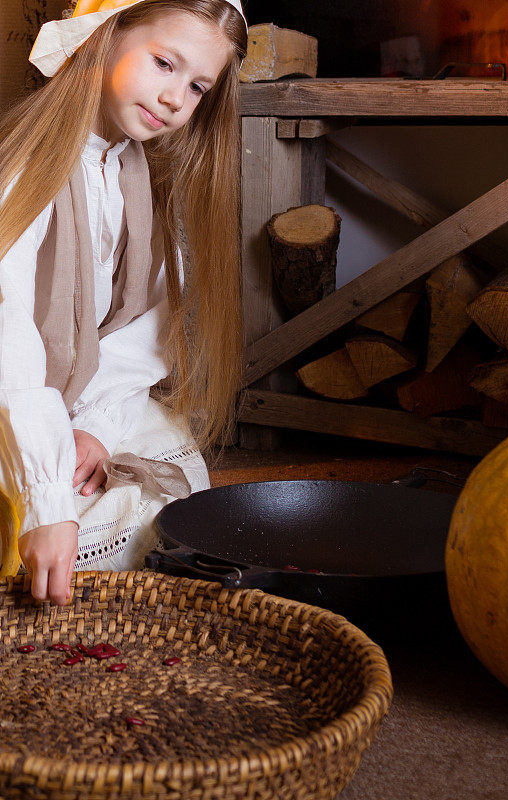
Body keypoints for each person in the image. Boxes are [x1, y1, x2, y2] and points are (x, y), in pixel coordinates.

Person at [0, 0, 248, 606]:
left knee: (174, 478)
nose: (175, 98)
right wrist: (45, 493)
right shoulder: (27, 170)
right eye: (164, 63)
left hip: (73, 394)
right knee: (58, 512)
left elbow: (145, 327)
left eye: (196, 87)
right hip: (13, 394)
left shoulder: (138, 176)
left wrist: (93, 424)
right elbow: (9, 337)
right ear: (102, 39)